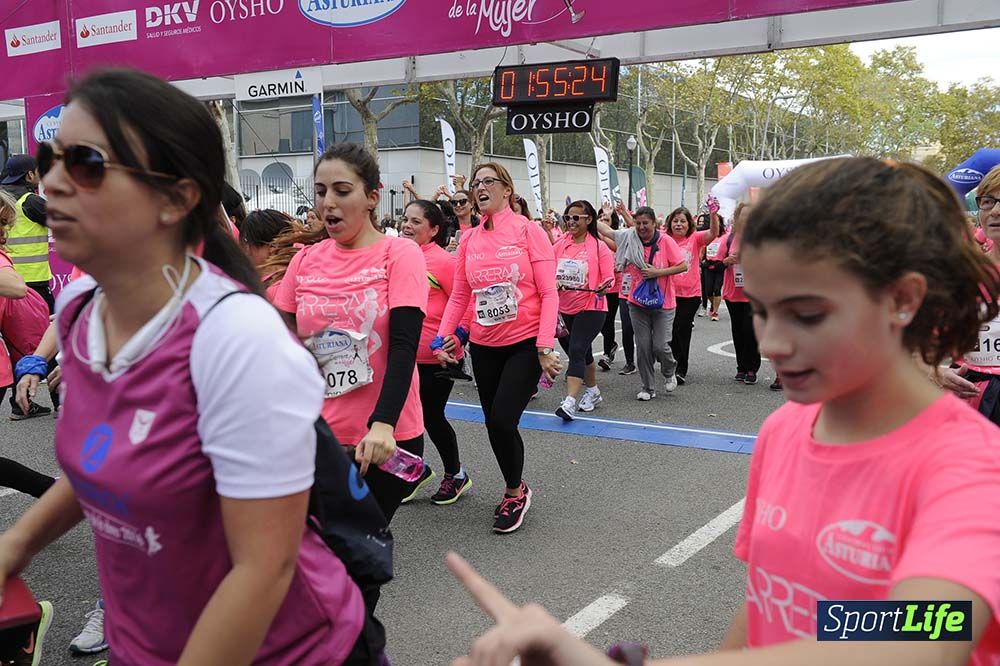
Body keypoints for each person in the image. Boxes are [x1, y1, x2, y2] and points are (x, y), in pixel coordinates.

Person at [444, 157, 1000, 666]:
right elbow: (767, 608)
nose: (772, 344)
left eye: (806, 313)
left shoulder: (971, 467)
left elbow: (922, 633)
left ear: (903, 299)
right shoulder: (787, 428)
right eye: (761, 310)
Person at [0, 68, 373, 665]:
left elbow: (263, 569)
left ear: (175, 199)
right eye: (51, 160)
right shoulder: (80, 309)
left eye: (87, 163)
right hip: (144, 644)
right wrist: (13, 548)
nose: (53, 184)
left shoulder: (237, 339)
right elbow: (108, 463)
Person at [274, 142, 429, 528]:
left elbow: (404, 346)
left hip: (382, 439)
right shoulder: (305, 260)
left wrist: (383, 424)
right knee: (313, 551)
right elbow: (280, 346)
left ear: (373, 197)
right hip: (317, 436)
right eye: (321, 191)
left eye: (342, 191)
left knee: (357, 553)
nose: (328, 202)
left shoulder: (400, 254)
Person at [433, 162, 560, 534]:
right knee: (493, 424)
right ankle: (515, 485)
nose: (480, 188)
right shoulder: (469, 239)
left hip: (524, 343)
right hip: (485, 345)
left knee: (503, 419)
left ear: (507, 190)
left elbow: (549, 292)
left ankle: (514, 493)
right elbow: (460, 296)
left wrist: (544, 346)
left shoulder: (529, 231)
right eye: (476, 183)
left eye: (488, 181)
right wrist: (444, 338)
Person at [398, 200, 472, 505]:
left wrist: (458, 336)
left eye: (416, 222)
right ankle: (415, 471)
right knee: (401, 419)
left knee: (431, 416)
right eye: (405, 219)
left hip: (435, 357)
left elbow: (466, 302)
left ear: (434, 230)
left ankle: (456, 474)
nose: (407, 225)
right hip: (402, 355)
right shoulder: (396, 256)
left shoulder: (443, 261)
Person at [934, 164, 1000, 423]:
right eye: (988, 201)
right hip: (972, 397)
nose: (995, 211)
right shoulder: (961, 272)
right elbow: (918, 336)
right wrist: (935, 372)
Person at [601, 205, 687, 401]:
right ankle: (648, 387)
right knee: (643, 346)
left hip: (663, 303)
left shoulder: (665, 241)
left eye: (645, 223)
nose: (641, 227)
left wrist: (658, 272)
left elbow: (683, 265)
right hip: (637, 302)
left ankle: (669, 370)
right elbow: (606, 231)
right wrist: (598, 215)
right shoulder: (629, 237)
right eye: (638, 223)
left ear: (654, 223)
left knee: (660, 346)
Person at [552, 200, 614, 420]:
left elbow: (609, 277)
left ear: (589, 220)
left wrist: (604, 286)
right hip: (564, 308)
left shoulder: (599, 246)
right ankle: (593, 391)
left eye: (576, 218)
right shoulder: (560, 245)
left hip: (592, 306)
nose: (571, 221)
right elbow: (547, 270)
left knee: (577, 349)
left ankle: (569, 402)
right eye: (567, 217)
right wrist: (553, 281)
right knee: (581, 353)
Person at [666, 202, 719, 384]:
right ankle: (670, 362)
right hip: (668, 293)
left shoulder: (695, 238)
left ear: (689, 224)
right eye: (675, 221)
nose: (678, 224)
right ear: (670, 223)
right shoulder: (665, 239)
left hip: (690, 294)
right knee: (669, 330)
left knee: (682, 328)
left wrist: (713, 214)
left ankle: (680, 368)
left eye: (682, 221)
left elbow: (713, 233)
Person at [0, 155, 52, 312]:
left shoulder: (3, 200)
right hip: (34, 281)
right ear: (30, 175)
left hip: (7, 278)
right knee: (49, 320)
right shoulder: (31, 202)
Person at [718, 203, 762, 384]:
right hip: (733, 292)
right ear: (737, 217)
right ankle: (741, 367)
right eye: (743, 215)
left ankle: (752, 367)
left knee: (750, 330)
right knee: (737, 331)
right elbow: (716, 262)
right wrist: (727, 260)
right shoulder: (729, 238)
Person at [238, 208, 295, 302]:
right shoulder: (294, 274)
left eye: (247, 242)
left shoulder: (272, 291)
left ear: (273, 247)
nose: (245, 249)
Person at [596, 204, 622, 371]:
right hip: (595, 287)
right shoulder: (592, 238)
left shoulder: (617, 237)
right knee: (598, 321)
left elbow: (618, 251)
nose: (602, 221)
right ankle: (611, 344)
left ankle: (607, 353)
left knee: (608, 319)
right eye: (600, 218)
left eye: (606, 219)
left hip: (613, 286)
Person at [700, 213, 726, 321]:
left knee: (717, 288)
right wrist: (701, 262)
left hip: (719, 265)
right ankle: (712, 305)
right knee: (709, 290)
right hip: (708, 264)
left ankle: (715, 312)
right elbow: (702, 249)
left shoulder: (725, 236)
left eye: (717, 221)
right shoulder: (708, 235)